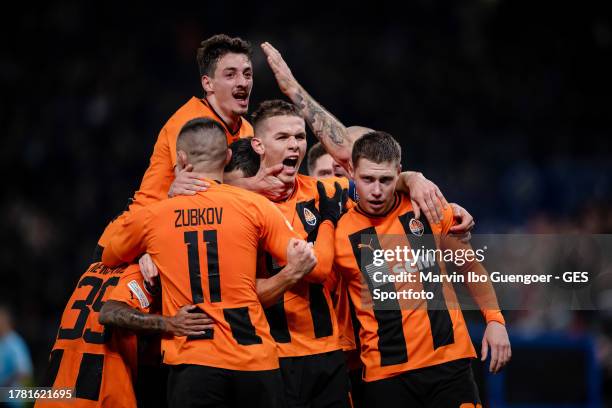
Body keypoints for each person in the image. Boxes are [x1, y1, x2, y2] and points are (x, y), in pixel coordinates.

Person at [101, 117, 340, 408]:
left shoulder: (154, 216)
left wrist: (147, 249)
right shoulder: (255, 206)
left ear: (182, 160)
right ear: (227, 156)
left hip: (193, 362)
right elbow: (309, 263)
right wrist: (324, 223)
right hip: (255, 360)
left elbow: (110, 255)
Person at [332, 132, 511, 407]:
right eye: (368, 179)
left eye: (386, 180)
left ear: (399, 174)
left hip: (448, 365)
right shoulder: (339, 233)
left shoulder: (428, 209)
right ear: (352, 173)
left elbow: (469, 265)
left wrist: (495, 320)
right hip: (385, 378)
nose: (377, 190)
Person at [35, 219, 208, 408]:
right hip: (99, 389)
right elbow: (109, 312)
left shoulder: (91, 271)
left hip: (56, 390)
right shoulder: (140, 274)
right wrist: (170, 323)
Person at [0, 304, 33, 408]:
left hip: (12, 400)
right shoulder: (2, 342)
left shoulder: (15, 343)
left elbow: (25, 372)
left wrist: (5, 384)